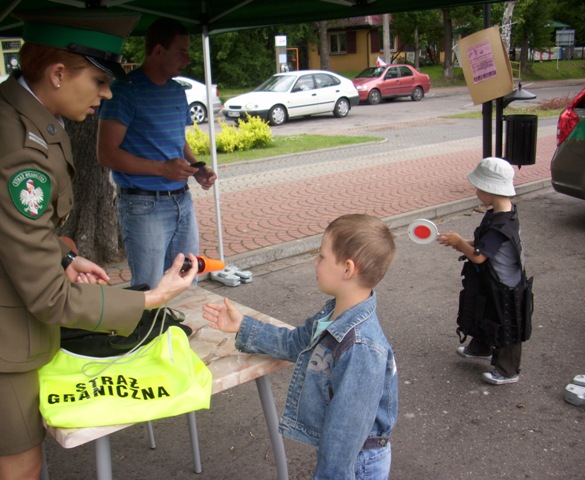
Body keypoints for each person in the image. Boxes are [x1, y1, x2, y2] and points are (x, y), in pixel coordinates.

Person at [0, 11, 200, 480]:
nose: (108, 92)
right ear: (57, 73)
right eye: (98, 80)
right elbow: (48, 298)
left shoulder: (28, 118)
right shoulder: (18, 147)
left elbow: (23, 233)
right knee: (20, 462)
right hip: (8, 334)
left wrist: (65, 256)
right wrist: (150, 298)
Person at [203, 214, 398, 479]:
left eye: (321, 256)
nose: (314, 262)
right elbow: (295, 342)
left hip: (357, 463)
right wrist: (243, 327)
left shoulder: (361, 347)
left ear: (348, 269)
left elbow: (345, 433)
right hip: (345, 455)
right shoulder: (333, 314)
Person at [98, 17, 216, 288]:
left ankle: (183, 332)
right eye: (181, 52)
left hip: (182, 201)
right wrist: (163, 169)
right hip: (143, 206)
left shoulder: (177, 91)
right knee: (151, 288)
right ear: (158, 51)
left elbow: (178, 141)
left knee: (187, 282)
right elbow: (106, 154)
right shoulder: (124, 92)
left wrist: (196, 167)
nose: (187, 60)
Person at [437, 157, 532, 385]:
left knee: (506, 325)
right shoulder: (502, 212)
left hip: (506, 287)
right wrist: (460, 241)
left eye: (479, 188)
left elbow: (479, 256)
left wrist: (460, 243)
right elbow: (485, 244)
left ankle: (508, 370)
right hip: (492, 281)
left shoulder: (502, 224)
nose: (476, 192)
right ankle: (480, 347)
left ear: (490, 189)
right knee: (483, 313)